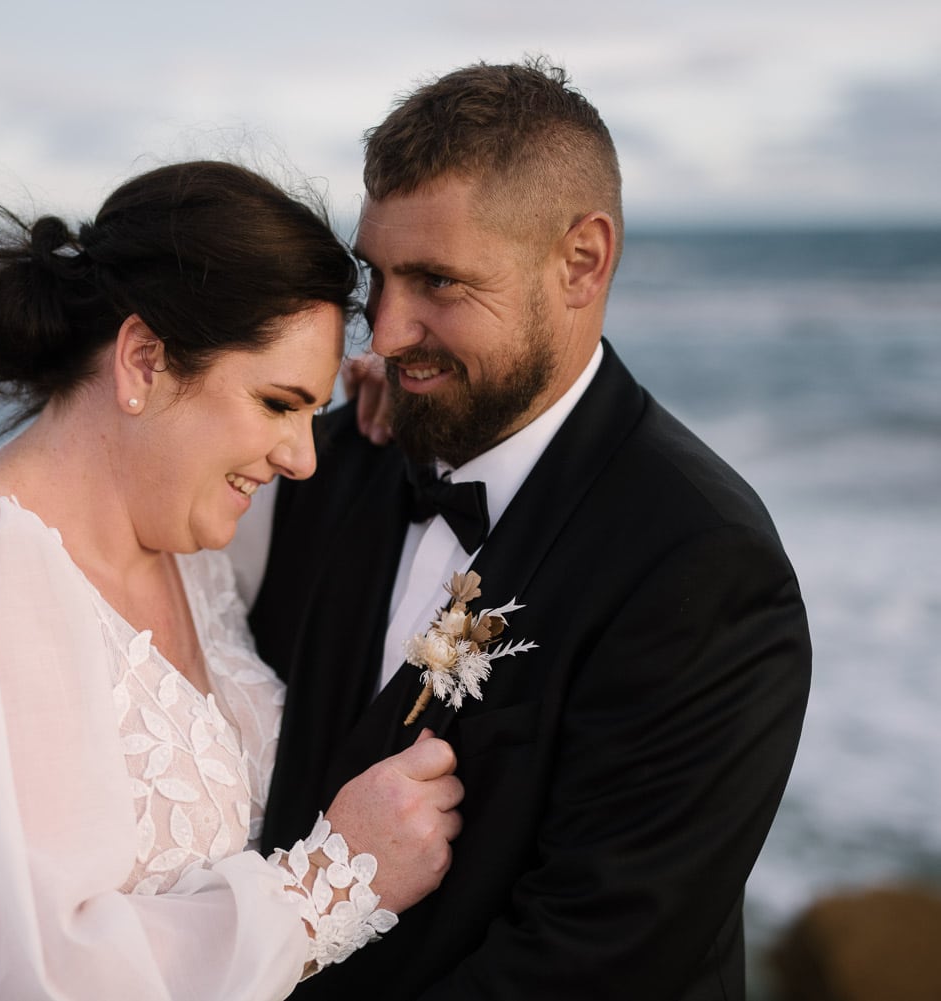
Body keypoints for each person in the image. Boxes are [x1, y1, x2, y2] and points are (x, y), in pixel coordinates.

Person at [0, 161, 465, 1001]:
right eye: (278, 403)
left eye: (310, 408)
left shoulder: (196, 547)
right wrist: (335, 882)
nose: (301, 456)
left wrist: (389, 400)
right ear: (144, 360)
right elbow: (15, 977)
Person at [244, 60, 812, 1000]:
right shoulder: (329, 458)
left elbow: (593, 963)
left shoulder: (705, 566)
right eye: (377, 276)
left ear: (582, 260)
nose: (383, 333)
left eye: (437, 282)